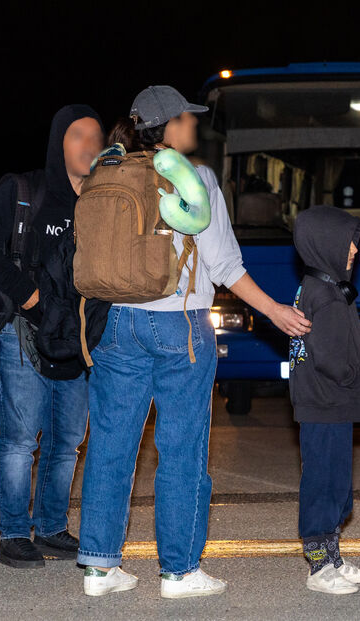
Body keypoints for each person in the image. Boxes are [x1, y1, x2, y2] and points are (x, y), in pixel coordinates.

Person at [76, 86, 311, 598]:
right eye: (188, 118)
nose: (196, 127)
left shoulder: (107, 172)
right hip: (179, 324)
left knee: (112, 446)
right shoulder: (195, 177)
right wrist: (273, 311)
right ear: (169, 126)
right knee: (181, 449)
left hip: (114, 323)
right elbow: (225, 265)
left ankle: (99, 566)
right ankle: (179, 571)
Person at [0, 105, 104, 568]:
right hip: (24, 334)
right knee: (22, 439)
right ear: (59, 142)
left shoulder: (103, 202)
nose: (89, 144)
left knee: (68, 441)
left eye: (95, 136)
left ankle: (50, 526)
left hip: (77, 336)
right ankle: (13, 534)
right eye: (77, 135)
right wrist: (30, 297)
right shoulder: (25, 190)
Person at [289, 205, 360, 595]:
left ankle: (333, 558)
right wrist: (357, 379)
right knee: (323, 484)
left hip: (330, 405)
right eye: (349, 243)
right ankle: (318, 566)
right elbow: (329, 357)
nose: (356, 250)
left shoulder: (322, 287)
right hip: (325, 403)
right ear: (325, 244)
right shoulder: (324, 295)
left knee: (337, 484)